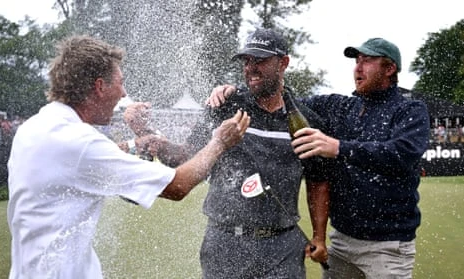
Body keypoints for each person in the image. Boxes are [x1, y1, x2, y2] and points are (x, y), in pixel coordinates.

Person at [6, 35, 250, 279]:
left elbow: (104, 162)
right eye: (120, 83)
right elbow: (178, 186)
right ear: (100, 86)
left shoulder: (38, 126)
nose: (124, 94)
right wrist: (219, 142)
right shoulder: (79, 142)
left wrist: (140, 135)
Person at [207, 37, 430, 278]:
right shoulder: (342, 107)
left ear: (389, 69)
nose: (358, 67)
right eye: (357, 61)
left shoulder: (410, 110)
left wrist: (338, 148)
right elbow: (279, 98)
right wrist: (236, 91)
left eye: (367, 61)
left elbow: (402, 153)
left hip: (387, 248)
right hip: (341, 242)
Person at [126, 28, 330, 278]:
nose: (251, 68)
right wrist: (149, 136)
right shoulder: (225, 107)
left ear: (283, 63)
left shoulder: (306, 120)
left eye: (260, 61)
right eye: (247, 61)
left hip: (282, 247)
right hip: (225, 242)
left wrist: (319, 237)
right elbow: (187, 158)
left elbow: (318, 181)